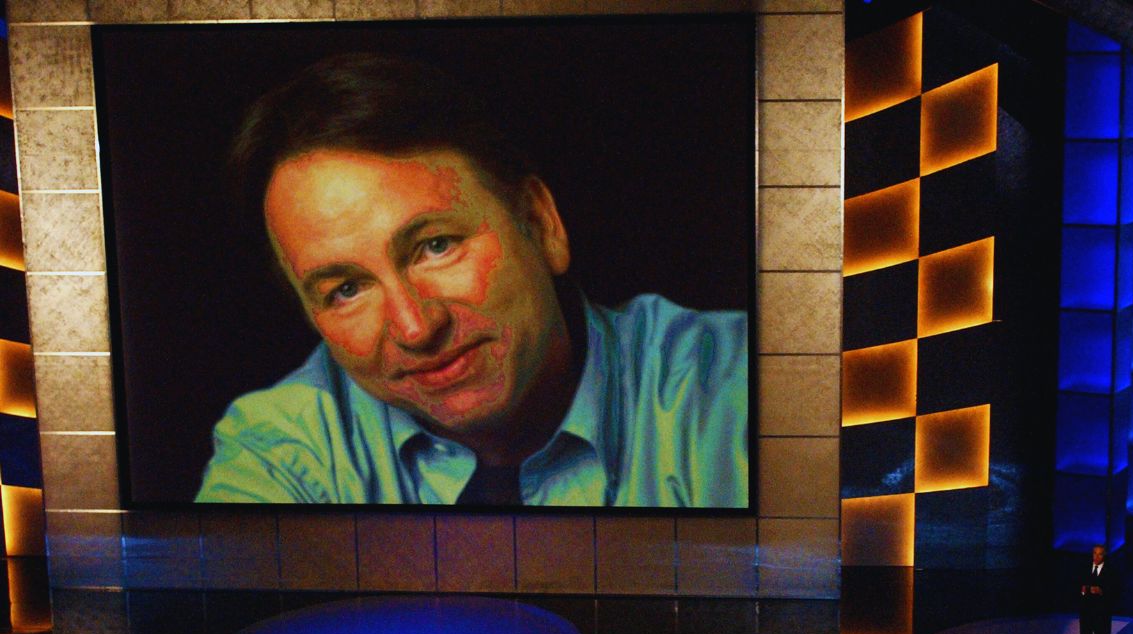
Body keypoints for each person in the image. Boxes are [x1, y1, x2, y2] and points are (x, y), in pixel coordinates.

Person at [195, 53, 748, 507]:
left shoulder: (736, 389)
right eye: (346, 290)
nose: (415, 328)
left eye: (436, 246)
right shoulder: (279, 449)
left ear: (541, 224)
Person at [1074, 543, 1114, 634]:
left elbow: (1116, 591)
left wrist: (1101, 591)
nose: (1096, 557)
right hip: (1086, 612)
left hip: (1102, 614)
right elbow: (1078, 584)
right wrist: (1083, 590)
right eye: (1094, 553)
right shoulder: (1085, 568)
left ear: (1104, 555)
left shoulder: (1110, 570)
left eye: (1100, 554)